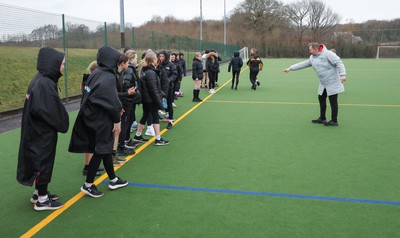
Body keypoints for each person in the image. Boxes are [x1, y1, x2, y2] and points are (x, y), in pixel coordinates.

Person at [69, 46, 129, 198]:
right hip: (99, 119)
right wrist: (117, 120)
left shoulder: (97, 73)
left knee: (105, 148)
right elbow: (112, 102)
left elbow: (88, 95)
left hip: (91, 116)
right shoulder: (108, 77)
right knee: (101, 149)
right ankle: (88, 184)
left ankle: (113, 179)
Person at [17, 47, 69, 211]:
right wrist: (62, 122)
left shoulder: (40, 79)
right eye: (62, 63)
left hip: (36, 130)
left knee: (40, 161)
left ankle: (39, 192)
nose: (63, 67)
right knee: (42, 162)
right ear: (53, 63)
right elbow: (49, 111)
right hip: (41, 133)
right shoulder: (44, 83)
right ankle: (42, 200)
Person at [283, 42, 347, 126]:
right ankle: (322, 118)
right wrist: (290, 68)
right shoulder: (312, 57)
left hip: (333, 82)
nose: (309, 51)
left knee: (333, 101)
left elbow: (339, 62)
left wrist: (343, 75)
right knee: (321, 98)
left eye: (310, 49)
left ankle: (334, 121)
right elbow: (303, 64)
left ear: (315, 49)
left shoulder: (328, 53)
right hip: (323, 83)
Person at [133, 51, 170, 146]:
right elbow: (153, 89)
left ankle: (138, 135)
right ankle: (158, 138)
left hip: (146, 99)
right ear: (153, 60)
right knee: (155, 117)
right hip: (150, 99)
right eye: (156, 58)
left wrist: (161, 94)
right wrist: (159, 101)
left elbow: (154, 88)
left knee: (145, 115)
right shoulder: (150, 72)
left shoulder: (146, 71)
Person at [81, 61, 103, 176]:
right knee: (89, 142)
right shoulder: (90, 81)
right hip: (89, 114)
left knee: (92, 141)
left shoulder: (90, 80)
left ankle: (90, 164)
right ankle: (87, 167)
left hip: (90, 114)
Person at [157, 50, 177, 129]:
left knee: (169, 104)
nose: (161, 58)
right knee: (159, 103)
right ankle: (155, 120)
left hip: (169, 87)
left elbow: (174, 74)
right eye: (160, 56)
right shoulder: (157, 64)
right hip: (159, 88)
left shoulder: (171, 65)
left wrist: (168, 80)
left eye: (163, 56)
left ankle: (170, 121)